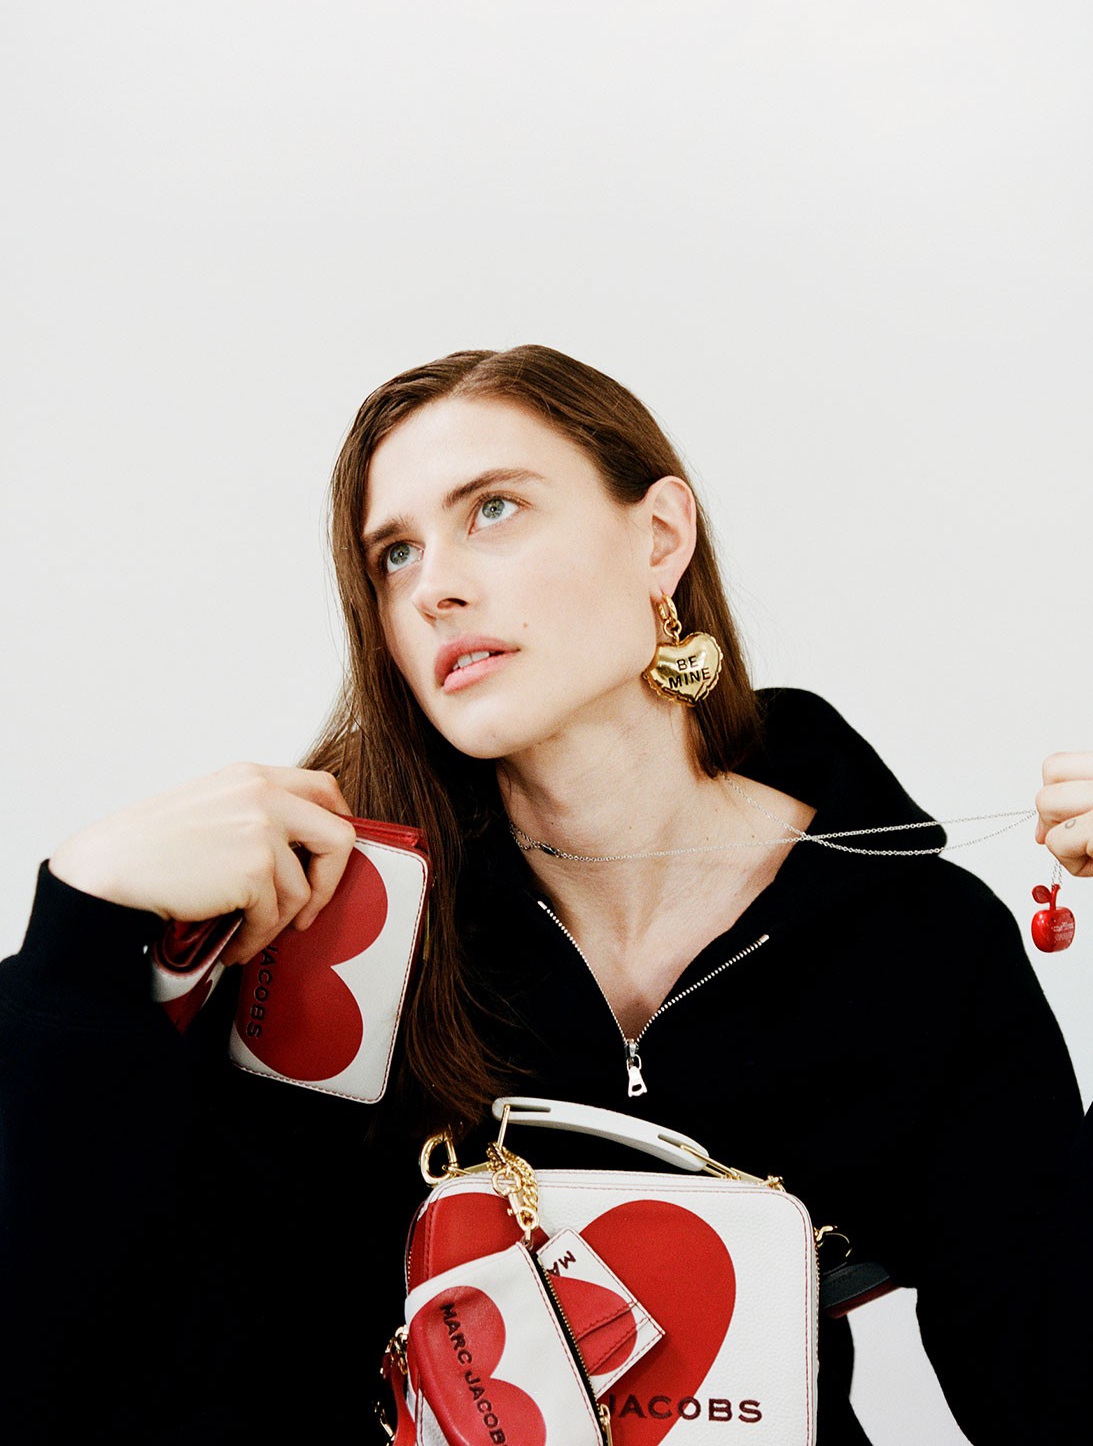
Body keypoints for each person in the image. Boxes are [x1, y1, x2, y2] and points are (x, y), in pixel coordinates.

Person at [0, 345, 1090, 1445]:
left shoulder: (920, 935)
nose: (434, 587)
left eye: (494, 509)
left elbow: (1056, 1377)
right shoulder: (322, 921)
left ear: (658, 538)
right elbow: (68, 1352)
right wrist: (80, 942)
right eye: (393, 553)